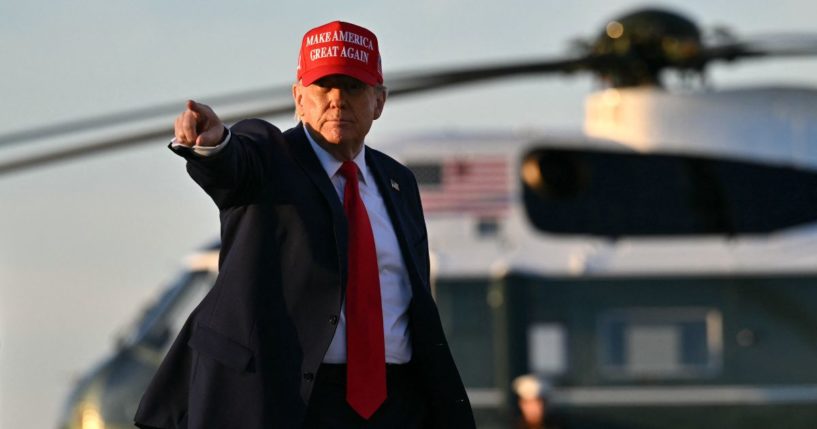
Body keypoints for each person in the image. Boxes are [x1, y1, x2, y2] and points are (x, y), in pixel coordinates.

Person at [132, 20, 475, 429]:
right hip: (296, 399)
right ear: (299, 98)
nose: (336, 100)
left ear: (379, 102)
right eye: (322, 87)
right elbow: (233, 165)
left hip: (396, 402)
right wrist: (212, 145)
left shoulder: (399, 182)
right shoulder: (269, 156)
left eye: (351, 87)